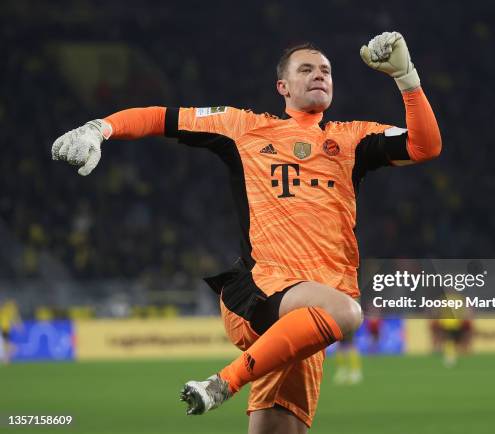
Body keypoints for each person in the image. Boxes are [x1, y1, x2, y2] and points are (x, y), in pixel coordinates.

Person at [51, 31, 441, 433]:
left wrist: (406, 78)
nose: (318, 75)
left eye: (325, 70)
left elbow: (425, 146)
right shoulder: (244, 128)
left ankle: (230, 381)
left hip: (306, 324)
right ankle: (223, 383)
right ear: (282, 87)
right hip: (260, 291)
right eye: (305, 69)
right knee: (347, 310)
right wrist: (100, 128)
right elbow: (161, 118)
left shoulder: (351, 139)